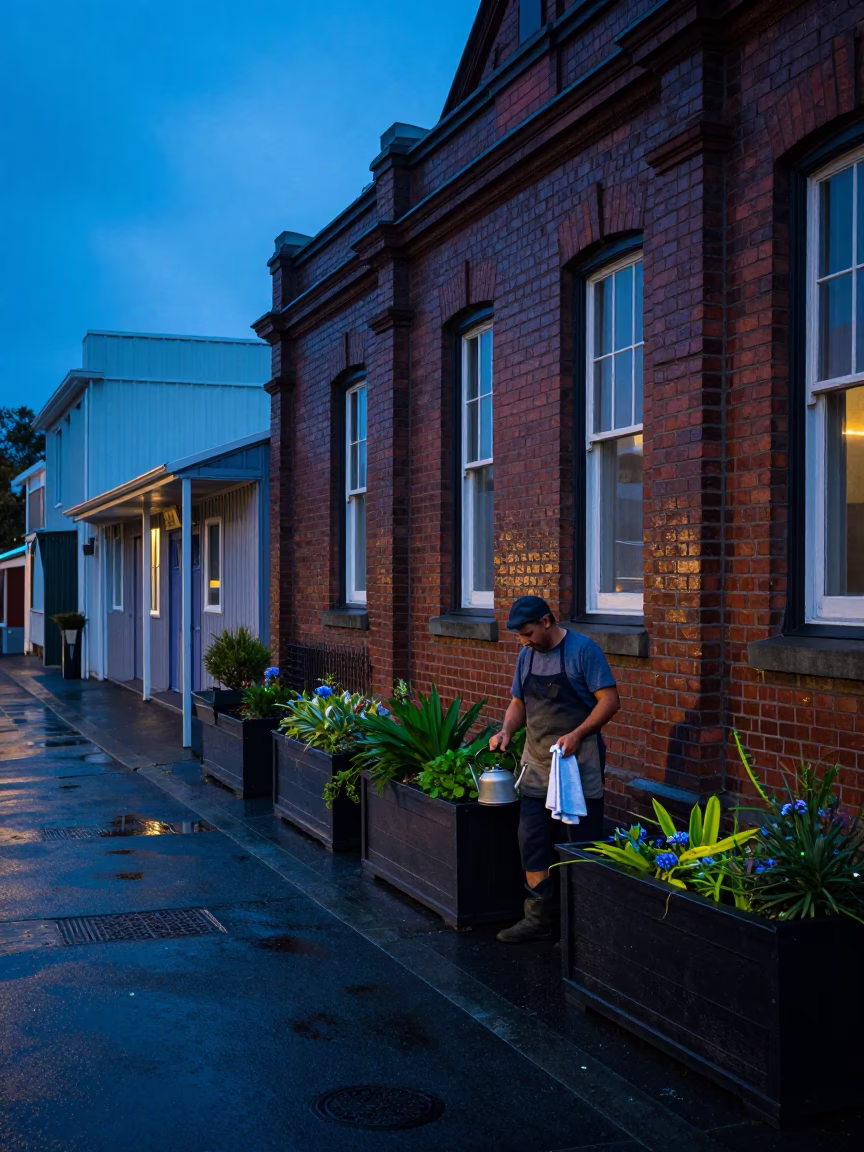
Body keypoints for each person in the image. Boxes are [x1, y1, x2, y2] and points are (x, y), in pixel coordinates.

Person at [490, 596, 620, 943]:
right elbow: (518, 703)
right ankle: (539, 918)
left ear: (548, 621)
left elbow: (610, 700)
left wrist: (578, 734)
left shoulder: (583, 651)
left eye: (528, 632)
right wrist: (506, 731)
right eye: (520, 635)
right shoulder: (526, 656)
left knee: (581, 844)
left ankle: (585, 927)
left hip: (578, 766)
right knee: (531, 841)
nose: (524, 640)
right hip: (536, 765)